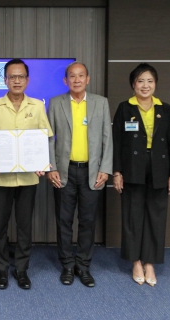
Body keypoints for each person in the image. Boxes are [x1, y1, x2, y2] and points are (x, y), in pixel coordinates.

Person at [0, 59, 53, 290]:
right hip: (0, 176)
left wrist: (43, 162)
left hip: (28, 177)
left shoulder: (37, 106)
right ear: (5, 80)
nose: (17, 81)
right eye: (12, 77)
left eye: (21, 76)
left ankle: (22, 269)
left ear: (27, 80)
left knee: (24, 226)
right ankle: (1, 269)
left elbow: (44, 138)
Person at [112, 63, 170, 287]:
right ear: (133, 84)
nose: (145, 85)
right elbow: (117, 143)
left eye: (150, 81)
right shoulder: (125, 108)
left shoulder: (165, 108)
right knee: (133, 216)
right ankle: (135, 261)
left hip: (159, 168)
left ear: (156, 84)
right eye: (141, 81)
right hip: (133, 167)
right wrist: (117, 171)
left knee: (156, 216)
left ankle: (150, 262)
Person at [47, 62, 112, 288]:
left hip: (92, 172)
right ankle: (67, 265)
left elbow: (107, 138)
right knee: (64, 221)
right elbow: (49, 138)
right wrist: (51, 167)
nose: (76, 80)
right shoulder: (55, 103)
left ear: (88, 79)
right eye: (72, 76)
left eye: (80, 76)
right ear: (65, 81)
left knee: (87, 221)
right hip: (64, 172)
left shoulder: (100, 103)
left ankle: (83, 266)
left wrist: (105, 168)